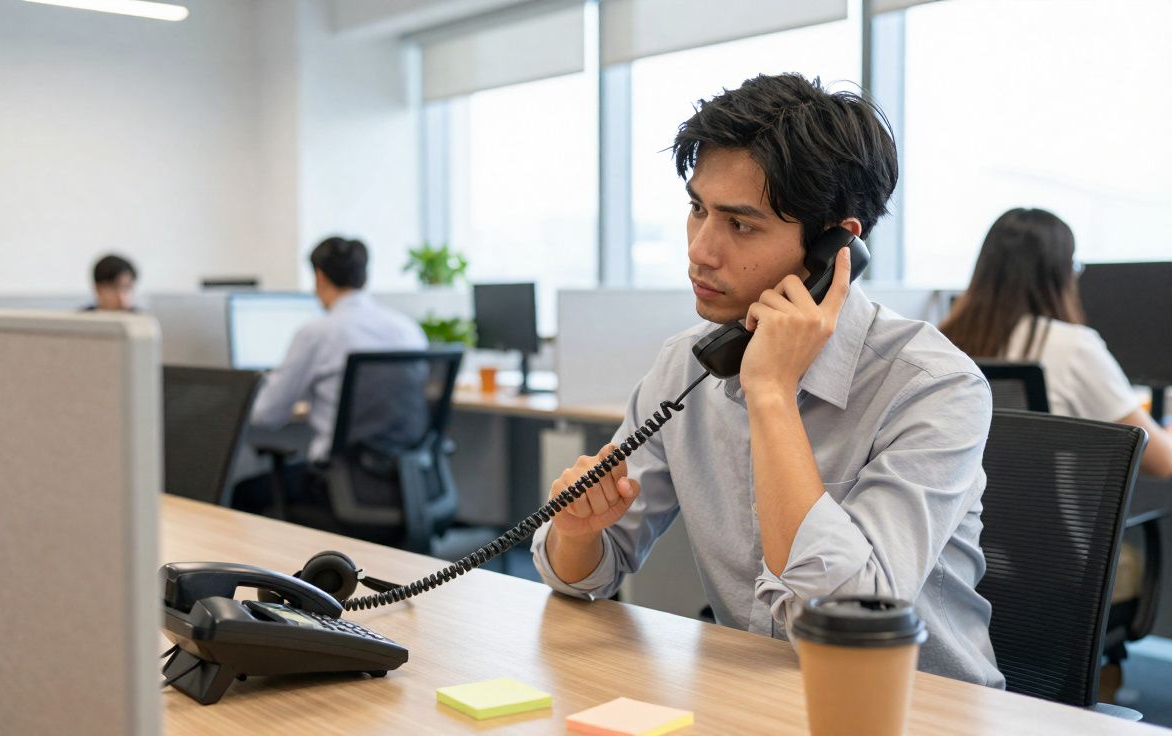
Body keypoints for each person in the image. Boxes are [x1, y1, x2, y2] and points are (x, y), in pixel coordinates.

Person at [531, 74, 1003, 687]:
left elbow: (846, 620)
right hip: (758, 701)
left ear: (836, 245)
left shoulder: (934, 387)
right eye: (698, 209)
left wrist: (772, 394)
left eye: (741, 224)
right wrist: (576, 534)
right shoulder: (688, 365)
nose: (701, 250)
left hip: (912, 708)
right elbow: (589, 571)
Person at [939, 208, 1172, 478]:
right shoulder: (1073, 348)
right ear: (1061, 275)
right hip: (1047, 518)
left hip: (967, 515)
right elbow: (1163, 462)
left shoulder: (942, 341)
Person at [236, 236, 427, 513]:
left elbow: (267, 415)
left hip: (341, 489)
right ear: (365, 276)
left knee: (244, 494)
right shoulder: (408, 330)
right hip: (407, 482)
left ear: (319, 277)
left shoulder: (318, 333)